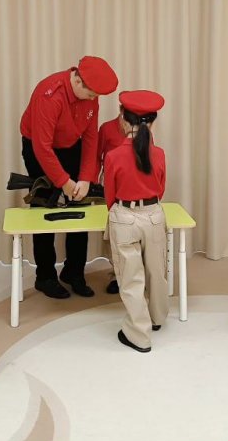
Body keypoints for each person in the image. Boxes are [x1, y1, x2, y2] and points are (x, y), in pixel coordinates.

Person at [19, 56, 118, 299]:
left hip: (70, 145)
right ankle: (45, 276)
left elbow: (91, 137)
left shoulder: (91, 96)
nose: (94, 99)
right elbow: (42, 147)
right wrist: (64, 182)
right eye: (92, 94)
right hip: (38, 149)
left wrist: (85, 178)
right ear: (78, 81)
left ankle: (74, 272)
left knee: (79, 205)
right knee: (44, 208)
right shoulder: (49, 95)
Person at [104, 90, 168, 353]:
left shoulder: (113, 156)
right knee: (157, 271)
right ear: (153, 122)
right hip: (153, 215)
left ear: (123, 117)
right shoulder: (159, 154)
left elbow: (109, 195)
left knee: (131, 277)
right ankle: (157, 318)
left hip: (125, 217)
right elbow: (161, 188)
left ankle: (138, 335)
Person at [97, 109, 126, 295]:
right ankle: (116, 274)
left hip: (132, 187)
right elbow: (95, 156)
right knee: (112, 231)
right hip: (110, 187)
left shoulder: (143, 131)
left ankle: (136, 273)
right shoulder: (106, 129)